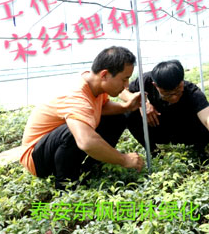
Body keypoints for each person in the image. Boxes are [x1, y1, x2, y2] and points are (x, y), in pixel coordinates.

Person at [20, 46, 144, 189]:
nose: (126, 85)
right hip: (37, 158)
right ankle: (66, 186)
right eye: (124, 79)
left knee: (118, 118)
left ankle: (90, 170)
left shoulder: (94, 83)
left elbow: (101, 107)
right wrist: (124, 159)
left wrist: (126, 107)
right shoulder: (77, 97)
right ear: (104, 75)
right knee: (76, 131)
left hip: (55, 149)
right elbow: (87, 142)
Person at [118, 60, 209, 182]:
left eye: (178, 91)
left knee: (206, 122)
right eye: (167, 94)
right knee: (128, 113)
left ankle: (199, 150)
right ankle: (153, 151)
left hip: (184, 132)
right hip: (159, 128)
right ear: (155, 86)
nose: (174, 97)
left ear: (182, 81)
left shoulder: (192, 92)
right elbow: (122, 90)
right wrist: (142, 103)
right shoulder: (145, 81)